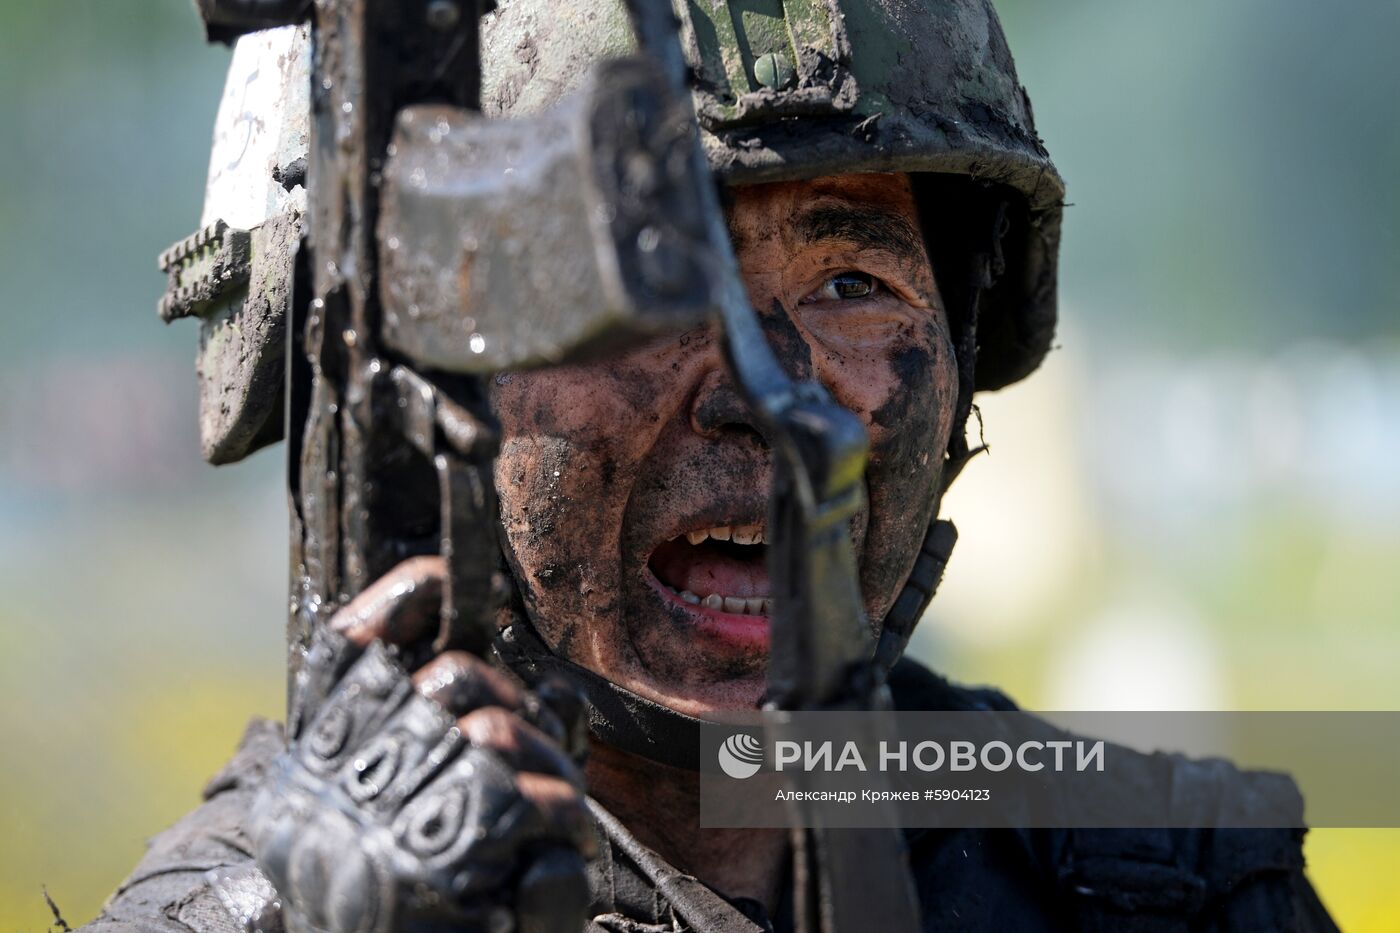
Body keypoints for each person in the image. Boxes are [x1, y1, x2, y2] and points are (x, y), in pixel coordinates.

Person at [83, 1, 1337, 930]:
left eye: (854, 285)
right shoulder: (247, 914)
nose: (769, 396)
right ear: (411, 399)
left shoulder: (1174, 881)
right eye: (639, 288)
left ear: (958, 355)